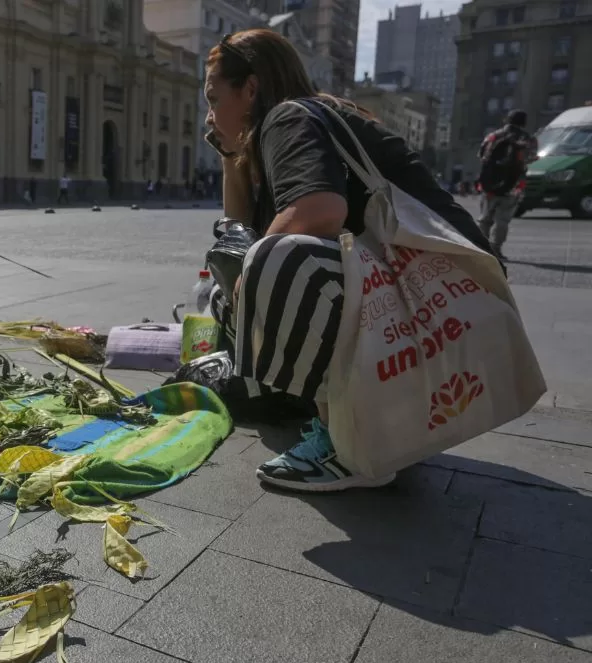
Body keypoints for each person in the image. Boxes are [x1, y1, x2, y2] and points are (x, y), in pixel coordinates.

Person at [203, 29, 499, 492]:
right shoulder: (310, 119)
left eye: (214, 97)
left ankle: (346, 448)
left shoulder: (288, 118)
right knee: (237, 272)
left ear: (252, 89)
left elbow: (320, 211)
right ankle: (368, 415)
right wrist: (231, 158)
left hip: (426, 302)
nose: (210, 113)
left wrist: (251, 280)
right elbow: (237, 236)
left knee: (274, 262)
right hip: (437, 302)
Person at [477, 109, 536, 260]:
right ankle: (496, 249)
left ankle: (481, 248)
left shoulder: (493, 136)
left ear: (506, 120)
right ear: (524, 123)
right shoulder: (528, 139)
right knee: (502, 220)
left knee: (484, 218)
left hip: (489, 185)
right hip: (513, 186)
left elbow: (481, 155)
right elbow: (530, 158)